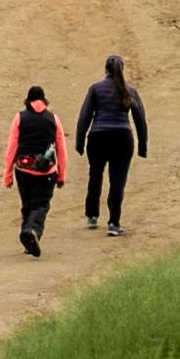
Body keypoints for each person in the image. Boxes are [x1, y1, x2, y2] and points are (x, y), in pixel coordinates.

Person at [76, 53, 151, 232]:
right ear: (122, 69)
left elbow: (84, 117)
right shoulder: (129, 91)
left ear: (105, 70)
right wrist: (142, 146)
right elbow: (140, 119)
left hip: (98, 138)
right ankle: (113, 223)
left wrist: (79, 142)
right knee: (117, 181)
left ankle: (92, 216)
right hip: (122, 138)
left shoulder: (95, 89)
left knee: (95, 175)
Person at [2, 82, 64, 256]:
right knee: (41, 205)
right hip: (47, 171)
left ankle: (27, 238)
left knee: (27, 205)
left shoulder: (19, 118)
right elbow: (61, 149)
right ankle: (32, 231)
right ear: (44, 100)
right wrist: (61, 175)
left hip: (23, 169)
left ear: (27, 101)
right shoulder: (53, 118)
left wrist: (7, 175)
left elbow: (12, 148)